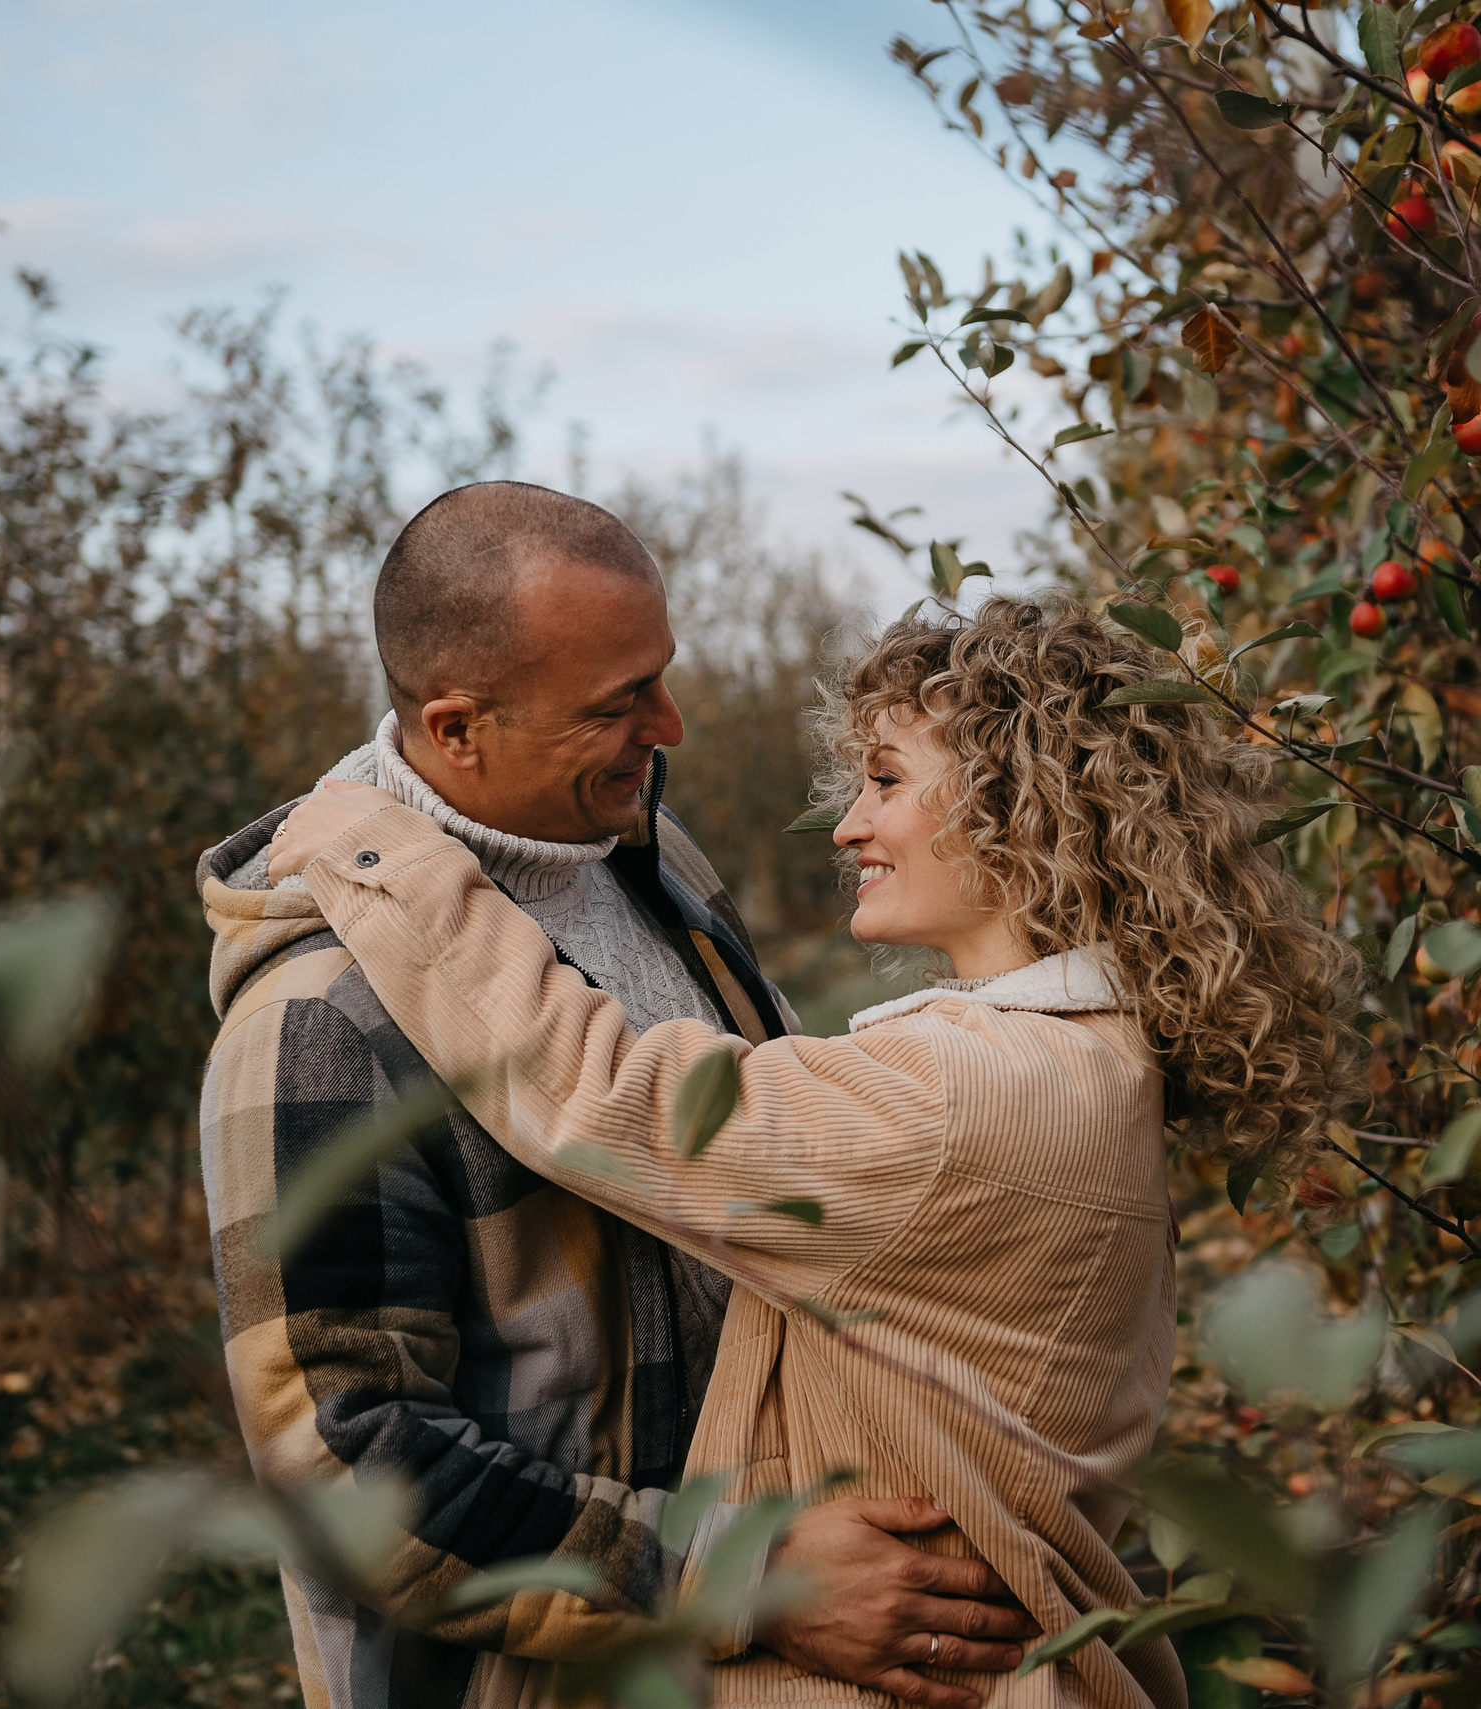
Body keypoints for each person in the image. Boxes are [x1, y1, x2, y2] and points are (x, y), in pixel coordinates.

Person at [266, 596, 1355, 1708]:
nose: (846, 827)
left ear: (1025, 802)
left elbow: (606, 1095)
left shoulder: (966, 1095)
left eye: (885, 780)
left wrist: (374, 847)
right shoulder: (1082, 1061)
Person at [197, 482, 1038, 1709]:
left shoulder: (652, 859)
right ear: (457, 726)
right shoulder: (320, 1024)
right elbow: (351, 1462)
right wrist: (742, 1572)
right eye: (618, 702)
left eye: (661, 673)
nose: (673, 724)